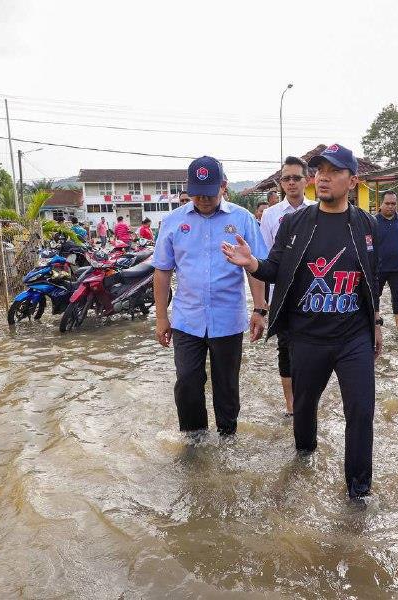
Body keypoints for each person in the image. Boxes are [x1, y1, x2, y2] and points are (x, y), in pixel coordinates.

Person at [222, 143, 381, 500]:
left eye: (333, 171)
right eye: (319, 171)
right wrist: (252, 264)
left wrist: (377, 321)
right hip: (306, 337)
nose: (322, 178)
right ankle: (304, 458)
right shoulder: (296, 222)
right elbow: (276, 266)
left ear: (352, 180)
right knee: (304, 408)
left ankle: (359, 492)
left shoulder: (365, 225)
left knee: (361, 410)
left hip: (353, 336)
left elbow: (374, 276)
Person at [153, 156, 268, 437]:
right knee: (188, 382)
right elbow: (162, 272)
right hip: (187, 320)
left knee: (227, 385)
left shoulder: (241, 219)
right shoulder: (173, 221)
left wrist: (260, 309)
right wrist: (160, 317)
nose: (203, 199)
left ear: (224, 186)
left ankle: (227, 437)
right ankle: (194, 442)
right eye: (196, 193)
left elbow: (256, 269)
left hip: (227, 319)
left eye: (209, 192)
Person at [259, 156, 317, 416]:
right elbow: (265, 258)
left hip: (314, 290)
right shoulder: (271, 216)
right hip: (282, 292)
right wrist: (262, 303)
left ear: (308, 180)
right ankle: (291, 405)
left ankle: (310, 401)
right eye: (286, 179)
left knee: (314, 347)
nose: (291, 183)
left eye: (296, 177)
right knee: (285, 347)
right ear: (280, 183)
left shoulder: (319, 210)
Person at [375, 191, 398, 328]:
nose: (390, 206)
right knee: (374, 296)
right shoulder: (373, 221)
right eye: (387, 203)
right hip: (378, 268)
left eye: (393, 204)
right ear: (380, 204)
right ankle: (376, 324)